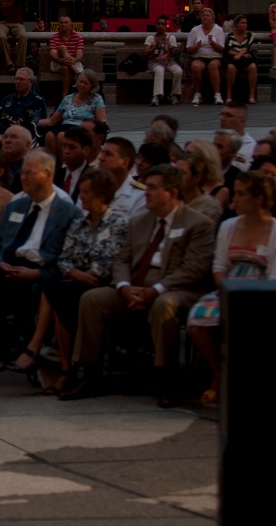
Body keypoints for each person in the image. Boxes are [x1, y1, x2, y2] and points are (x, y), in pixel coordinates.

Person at [63, 165, 214, 407]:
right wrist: (123, 286)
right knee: (93, 299)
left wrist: (157, 290)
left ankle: (166, 379)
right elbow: (122, 259)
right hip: (135, 286)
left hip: (177, 289)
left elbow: (193, 269)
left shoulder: (198, 224)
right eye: (146, 187)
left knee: (164, 305)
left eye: (153, 188)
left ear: (173, 192)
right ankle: (89, 374)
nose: (146, 193)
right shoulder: (140, 221)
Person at [0, 148, 83, 394]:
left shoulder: (68, 213)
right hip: (6, 268)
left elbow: (67, 259)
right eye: (22, 173)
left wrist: (37, 274)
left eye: (30, 173)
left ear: (47, 174)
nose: (23, 177)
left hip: (39, 274)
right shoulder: (16, 207)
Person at [10, 169, 127, 394]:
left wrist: (79, 273)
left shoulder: (118, 223)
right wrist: (75, 274)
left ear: (102, 195)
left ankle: (56, 363)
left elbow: (108, 261)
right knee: (55, 290)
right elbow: (64, 258)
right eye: (81, 192)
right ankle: (64, 367)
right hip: (75, 280)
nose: (81, 197)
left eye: (87, 193)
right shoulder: (78, 223)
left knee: (54, 291)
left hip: (100, 283)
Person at [187, 171, 276, 403]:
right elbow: (219, 265)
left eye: (242, 194)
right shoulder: (229, 226)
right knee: (197, 319)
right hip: (229, 287)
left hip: (261, 294)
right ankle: (218, 372)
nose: (236, 199)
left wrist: (248, 295)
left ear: (259, 198)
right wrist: (226, 288)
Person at [37, 69, 106, 157]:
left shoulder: (96, 99)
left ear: (92, 86)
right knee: (50, 135)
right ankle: (53, 164)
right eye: (80, 82)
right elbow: (51, 121)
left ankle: (65, 165)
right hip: (65, 126)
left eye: (86, 83)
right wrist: (33, 122)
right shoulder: (67, 99)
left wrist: (104, 124)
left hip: (82, 129)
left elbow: (102, 119)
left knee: (62, 136)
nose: (82, 85)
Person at [0, 67, 47, 142]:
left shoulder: (37, 101)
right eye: (16, 79)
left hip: (19, 135)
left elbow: (37, 123)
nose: (17, 82)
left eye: (21, 79)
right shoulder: (7, 99)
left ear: (31, 82)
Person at [184, 7, 226, 106]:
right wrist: (196, 47)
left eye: (208, 16)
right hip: (199, 55)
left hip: (214, 56)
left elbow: (221, 49)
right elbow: (188, 49)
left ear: (212, 18)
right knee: (195, 66)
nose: (205, 18)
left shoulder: (218, 30)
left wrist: (213, 43)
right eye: (203, 16)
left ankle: (217, 94)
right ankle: (197, 94)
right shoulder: (195, 30)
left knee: (213, 66)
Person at [100, 137, 146, 218]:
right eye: (102, 153)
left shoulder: (140, 196)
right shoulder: (93, 189)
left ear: (125, 162)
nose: (101, 158)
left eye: (108, 154)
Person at [176, 151, 223, 227]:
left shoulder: (210, 206)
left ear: (197, 178)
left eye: (182, 173)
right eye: (175, 172)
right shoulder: (173, 200)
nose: (176, 176)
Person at [144, 14, 183, 106]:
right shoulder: (150, 38)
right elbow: (145, 53)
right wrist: (154, 47)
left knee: (178, 71)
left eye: (163, 24)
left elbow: (173, 53)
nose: (161, 26)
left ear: (166, 26)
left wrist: (170, 51)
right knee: (159, 71)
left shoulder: (171, 38)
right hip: (155, 62)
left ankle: (174, 94)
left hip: (168, 61)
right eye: (159, 24)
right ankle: (156, 96)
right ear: (156, 25)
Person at [48, 15, 85, 97]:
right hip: (57, 62)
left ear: (70, 24)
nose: (63, 24)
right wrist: (61, 61)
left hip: (73, 61)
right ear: (59, 24)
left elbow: (79, 53)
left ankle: (64, 95)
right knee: (62, 48)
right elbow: (52, 53)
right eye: (61, 22)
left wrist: (74, 60)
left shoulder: (78, 37)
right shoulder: (54, 37)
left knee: (65, 67)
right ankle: (77, 73)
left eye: (66, 22)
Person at [225, 14, 258, 103]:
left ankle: (251, 96)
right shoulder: (230, 35)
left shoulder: (250, 35)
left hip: (245, 59)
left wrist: (240, 55)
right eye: (242, 23)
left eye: (245, 23)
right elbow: (229, 50)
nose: (244, 25)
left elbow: (247, 48)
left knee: (253, 67)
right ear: (236, 24)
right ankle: (229, 96)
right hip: (234, 59)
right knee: (231, 68)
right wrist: (239, 55)